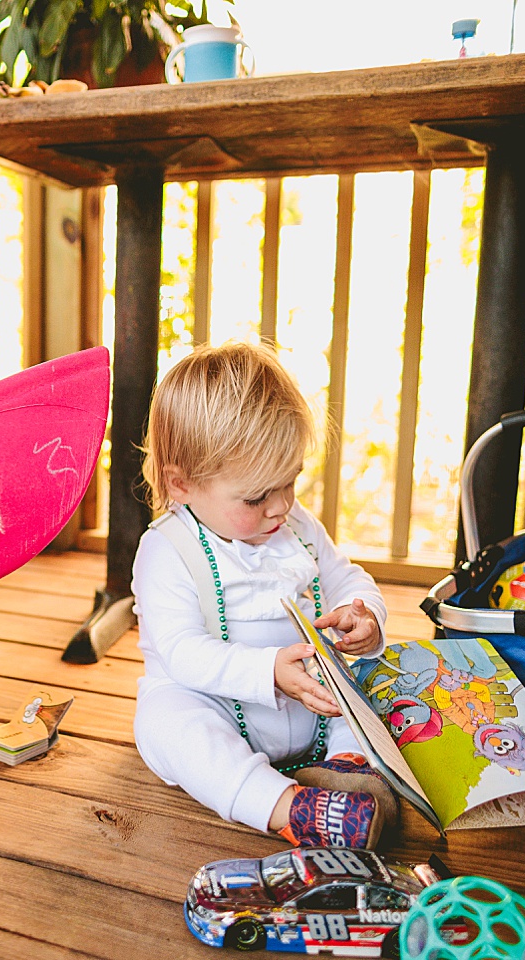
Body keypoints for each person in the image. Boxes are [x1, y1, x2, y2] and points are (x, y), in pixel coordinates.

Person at [133, 341, 399, 848]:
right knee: (169, 724)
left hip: (315, 705)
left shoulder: (295, 526)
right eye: (256, 496)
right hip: (215, 704)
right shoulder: (167, 549)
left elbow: (345, 577)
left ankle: (346, 769)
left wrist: (364, 614)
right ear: (181, 484)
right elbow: (181, 652)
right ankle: (285, 807)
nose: (281, 507)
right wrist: (266, 671)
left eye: (290, 481)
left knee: (376, 686)